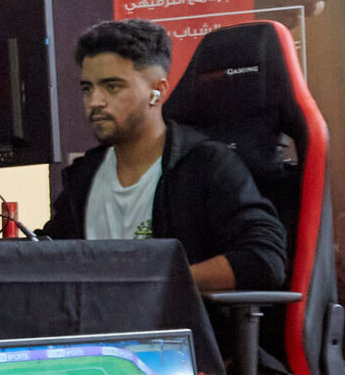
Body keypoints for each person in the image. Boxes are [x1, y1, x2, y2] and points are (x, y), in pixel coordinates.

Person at [42, 19, 287, 295]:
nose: (95, 101)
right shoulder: (84, 176)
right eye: (87, 88)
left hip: (172, 322)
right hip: (91, 322)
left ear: (157, 92)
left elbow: (265, 260)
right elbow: (47, 255)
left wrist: (153, 280)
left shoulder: (206, 166)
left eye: (112, 87)